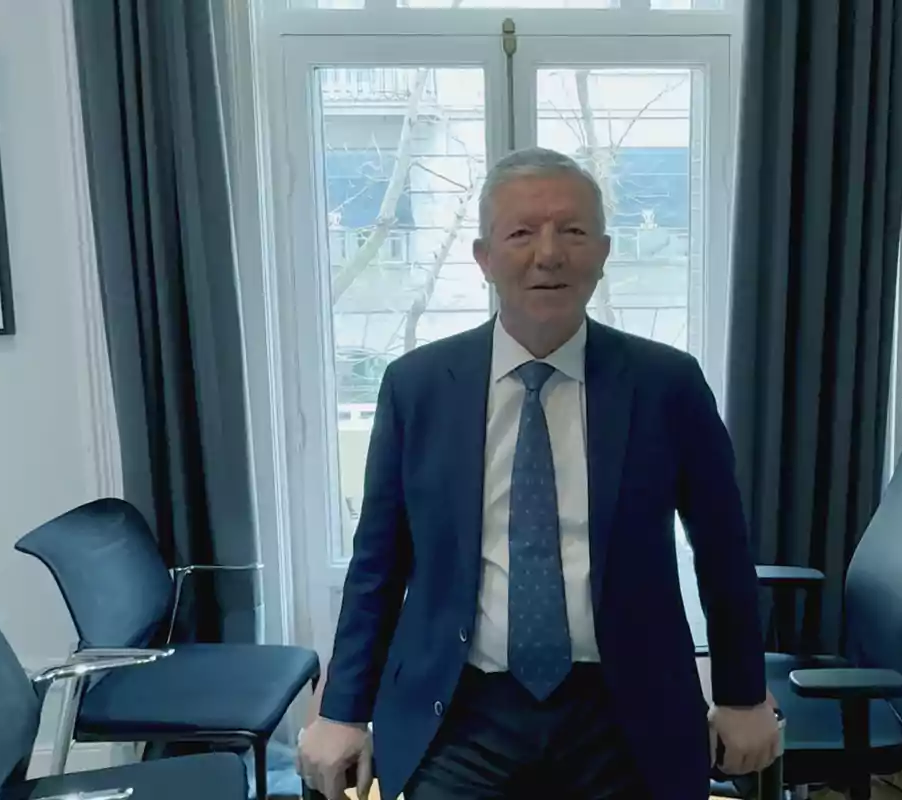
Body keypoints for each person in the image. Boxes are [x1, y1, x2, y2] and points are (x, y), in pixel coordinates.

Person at [297, 147, 779, 800]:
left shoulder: (666, 384)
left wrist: (743, 695)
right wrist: (342, 710)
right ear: (484, 257)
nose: (548, 254)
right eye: (521, 233)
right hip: (460, 710)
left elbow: (723, 552)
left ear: (603, 253)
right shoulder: (418, 387)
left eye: (572, 231)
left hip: (625, 707)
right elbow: (378, 563)